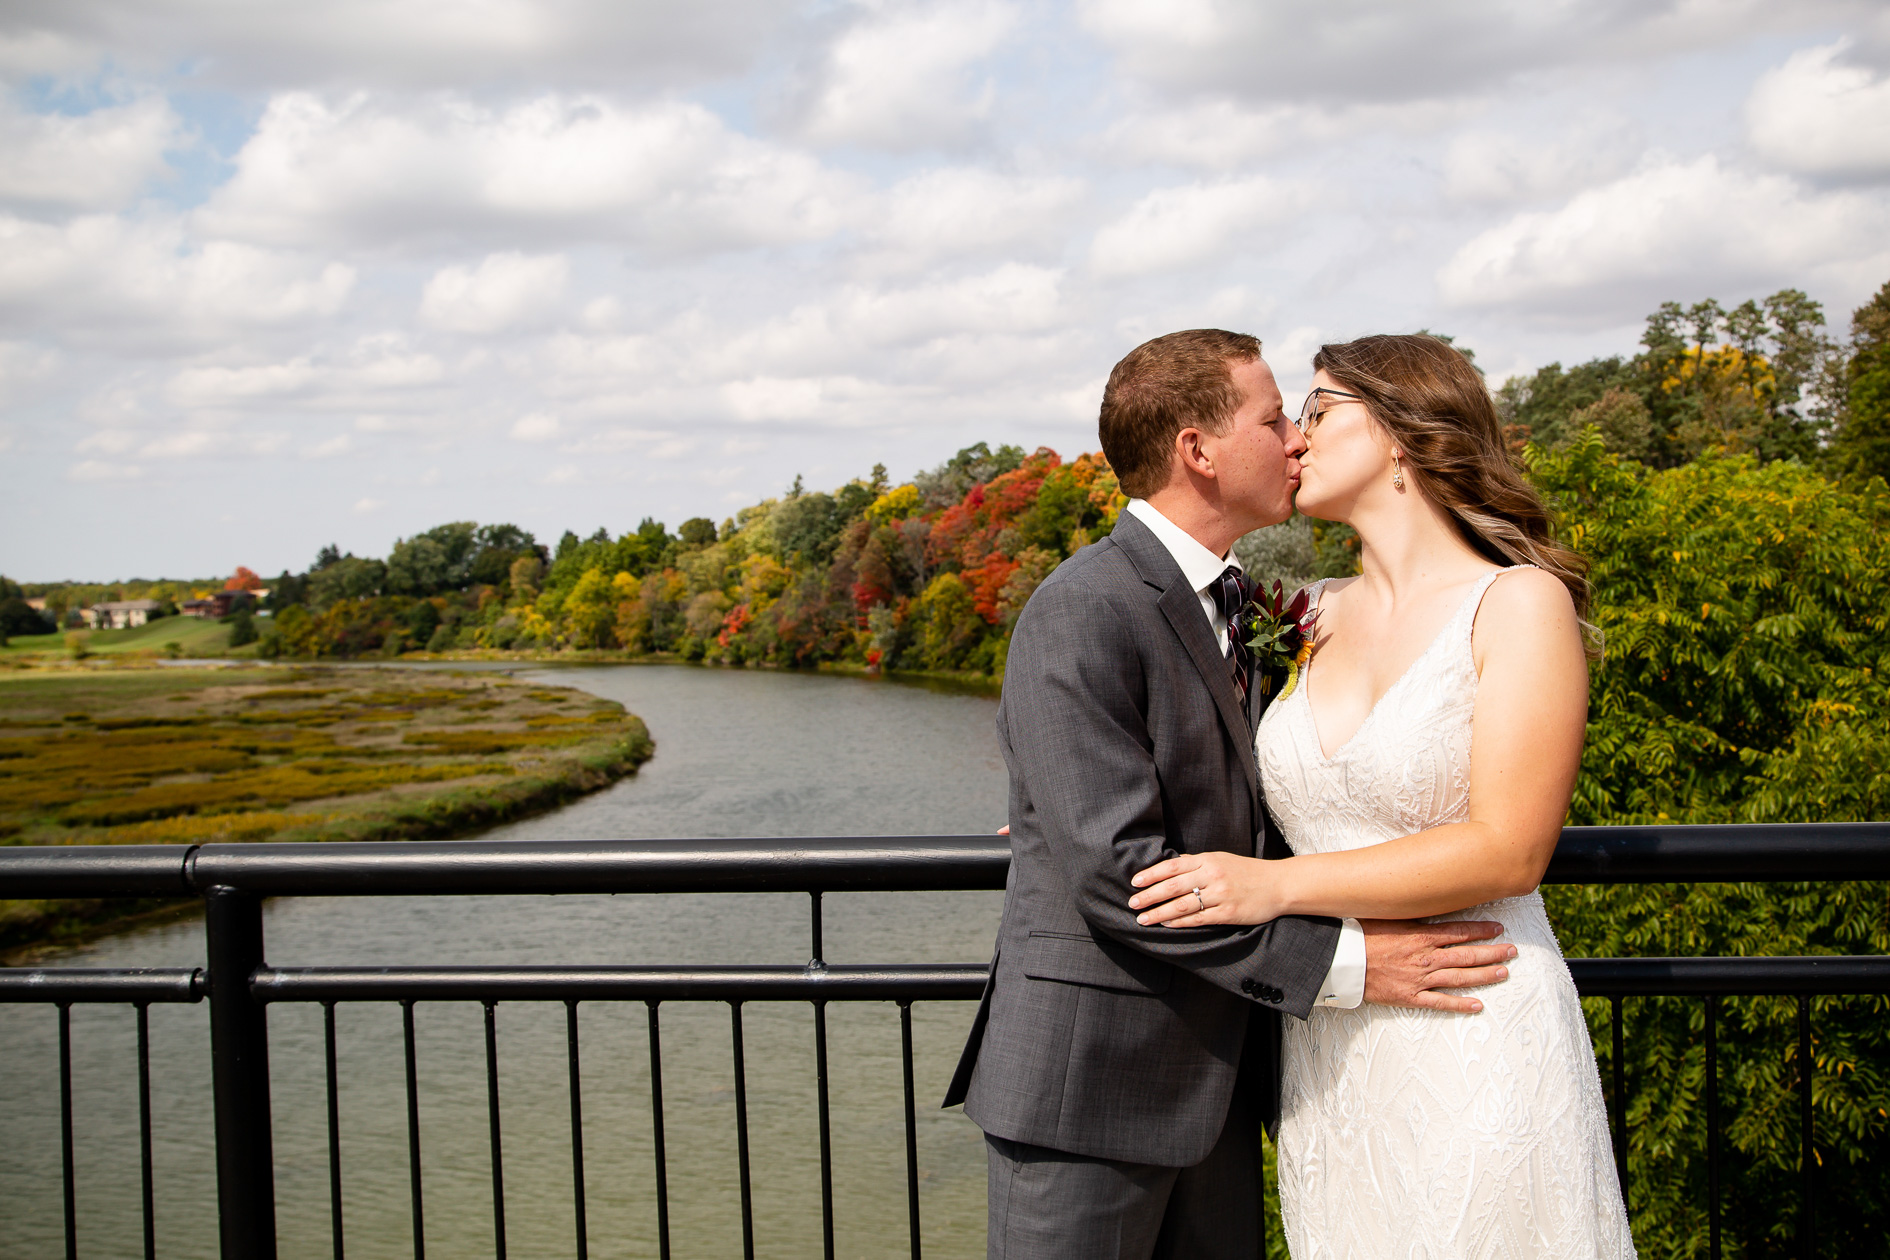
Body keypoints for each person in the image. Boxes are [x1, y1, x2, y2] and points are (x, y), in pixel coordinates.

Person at [943, 329, 1519, 1259]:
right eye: (1273, 418)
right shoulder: (1083, 606)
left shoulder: (1248, 606)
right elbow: (1124, 877)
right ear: (1197, 452)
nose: (1296, 439)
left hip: (1219, 1085)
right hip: (1089, 1090)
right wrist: (1355, 967)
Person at [1129, 333, 1635, 1256]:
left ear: (1401, 431)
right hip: (1330, 1051)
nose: (1294, 438)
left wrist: (1274, 887)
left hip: (1472, 1017)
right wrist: (1079, 795)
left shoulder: (1517, 603)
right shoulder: (1303, 613)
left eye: (1318, 411)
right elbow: (1216, 770)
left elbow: (1510, 848)